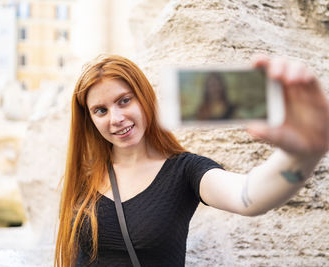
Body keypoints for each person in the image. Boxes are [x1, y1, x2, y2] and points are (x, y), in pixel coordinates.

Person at [54, 54, 329, 267]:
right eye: (100, 110)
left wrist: (302, 154)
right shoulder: (83, 177)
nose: (115, 119)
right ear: (89, 119)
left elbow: (250, 196)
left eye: (124, 101)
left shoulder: (185, 170)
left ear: (145, 99)